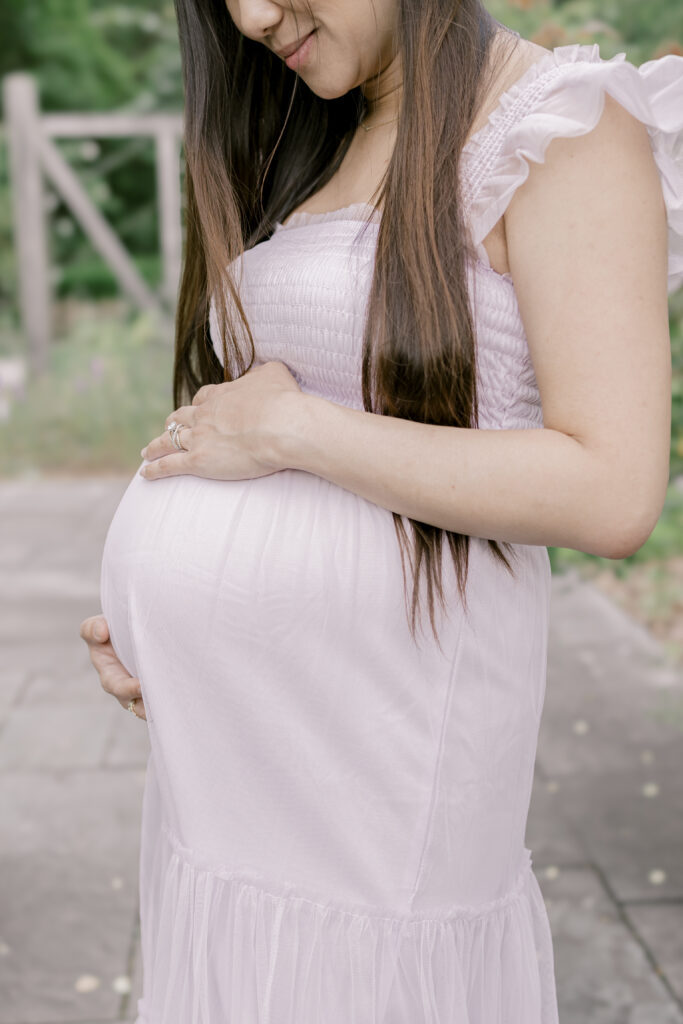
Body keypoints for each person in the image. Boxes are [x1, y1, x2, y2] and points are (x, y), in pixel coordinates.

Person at [79, 1, 683, 1020]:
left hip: (386, 765)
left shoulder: (561, 126)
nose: (252, 16)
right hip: (235, 768)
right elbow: (248, 411)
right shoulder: (320, 127)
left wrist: (293, 435)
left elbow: (611, 488)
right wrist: (161, 630)